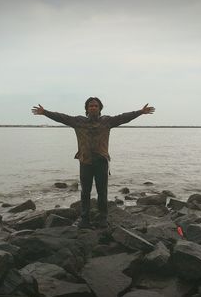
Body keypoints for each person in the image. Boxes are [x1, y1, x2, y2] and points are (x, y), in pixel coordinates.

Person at [32, 97, 155, 228]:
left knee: (102, 192)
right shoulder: (78, 121)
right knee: (85, 191)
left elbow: (123, 117)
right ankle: (84, 218)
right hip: (85, 161)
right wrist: (45, 112)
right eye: (91, 106)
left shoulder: (107, 121)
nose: (93, 108)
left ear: (100, 108)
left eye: (96, 106)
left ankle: (103, 218)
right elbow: (61, 117)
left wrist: (140, 112)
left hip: (101, 161)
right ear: (86, 108)